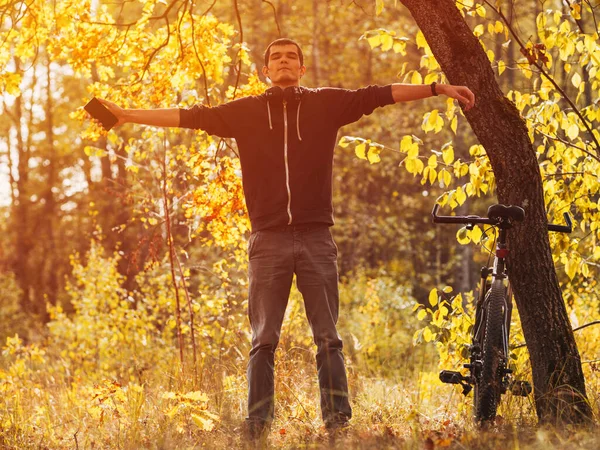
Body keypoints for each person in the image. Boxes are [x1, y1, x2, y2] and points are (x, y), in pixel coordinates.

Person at [96, 38, 475, 438]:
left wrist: (437, 88)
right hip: (268, 240)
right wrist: (127, 115)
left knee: (328, 337)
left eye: (291, 56)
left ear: (302, 68)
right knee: (263, 339)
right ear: (266, 70)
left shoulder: (326, 104)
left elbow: (379, 95)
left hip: (315, 238)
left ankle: (337, 422)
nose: (283, 61)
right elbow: (189, 116)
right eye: (275, 57)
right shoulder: (244, 112)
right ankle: (257, 423)